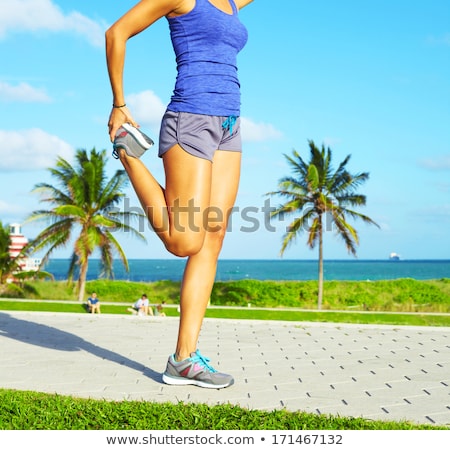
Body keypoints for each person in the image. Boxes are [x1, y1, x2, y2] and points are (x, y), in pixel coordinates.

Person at [106, 0, 253, 389]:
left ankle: (183, 360)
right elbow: (116, 33)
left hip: (229, 125)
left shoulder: (232, 2)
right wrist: (120, 105)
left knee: (213, 238)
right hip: (190, 119)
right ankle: (127, 151)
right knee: (185, 241)